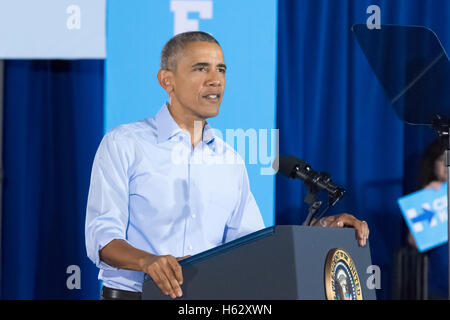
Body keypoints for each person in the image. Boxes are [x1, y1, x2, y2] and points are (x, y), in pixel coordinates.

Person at [85, 31, 370, 300]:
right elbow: (102, 238)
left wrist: (317, 232)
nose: (215, 80)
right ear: (166, 80)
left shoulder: (229, 160)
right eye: (201, 68)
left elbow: (251, 249)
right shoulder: (124, 143)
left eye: (221, 70)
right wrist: (148, 261)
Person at [407, 136, 448, 299]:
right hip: (439, 284)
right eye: (441, 159)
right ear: (432, 165)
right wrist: (429, 198)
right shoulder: (427, 196)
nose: (446, 164)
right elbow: (414, 241)